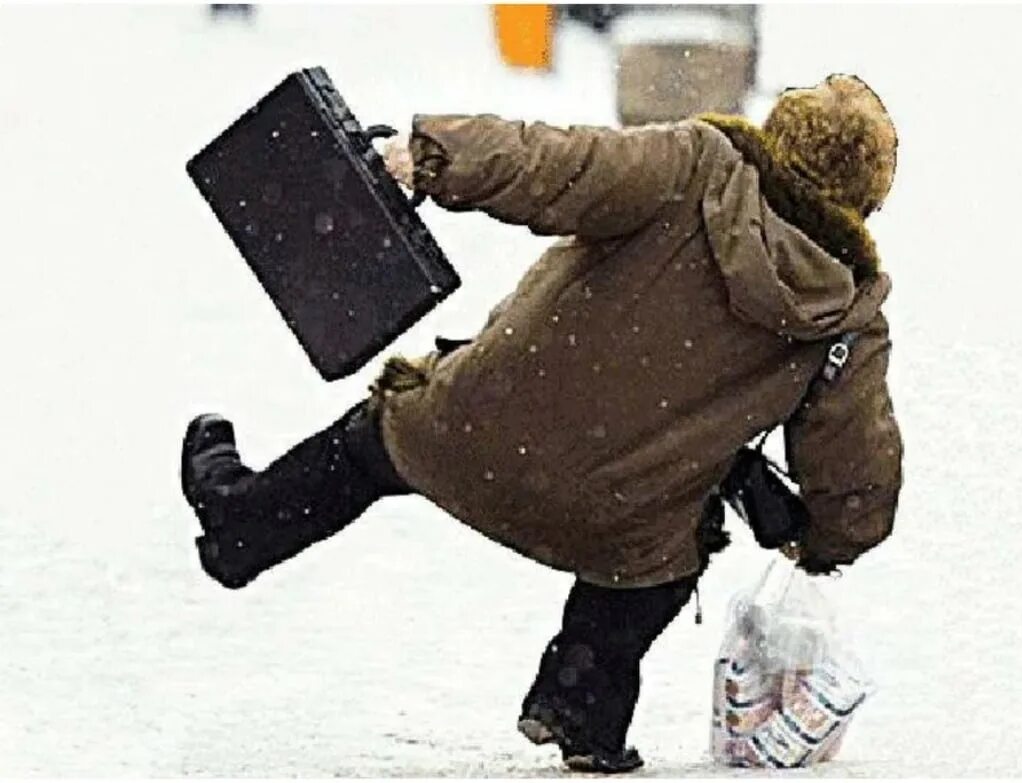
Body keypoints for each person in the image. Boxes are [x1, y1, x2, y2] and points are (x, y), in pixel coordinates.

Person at [180, 73, 903, 774]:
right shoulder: (847, 320)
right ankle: (581, 697)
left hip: (475, 437)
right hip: (614, 524)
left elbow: (549, 162)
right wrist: (826, 541)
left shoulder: (691, 166)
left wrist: (427, 158)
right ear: (868, 199)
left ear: (778, 134)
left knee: (371, 442)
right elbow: (855, 469)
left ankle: (243, 523)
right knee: (666, 563)